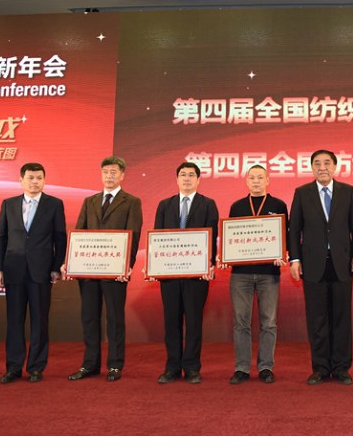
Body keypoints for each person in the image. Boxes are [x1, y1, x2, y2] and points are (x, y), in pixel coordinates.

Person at [288, 149, 353, 385]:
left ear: (334, 166)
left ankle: (341, 367)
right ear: (312, 168)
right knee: (317, 318)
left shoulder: (348, 191)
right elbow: (294, 230)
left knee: (342, 317)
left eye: (327, 163)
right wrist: (295, 259)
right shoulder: (302, 193)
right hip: (313, 264)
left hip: (342, 262)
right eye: (317, 164)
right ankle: (320, 367)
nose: (322, 167)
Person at [65, 156, 142, 382]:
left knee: (115, 319)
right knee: (89, 317)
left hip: (115, 271)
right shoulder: (90, 201)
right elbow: (79, 232)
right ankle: (90, 364)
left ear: (122, 175)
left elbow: (134, 235)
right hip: (88, 271)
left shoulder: (131, 202)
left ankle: (115, 365)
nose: (109, 176)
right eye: (105, 172)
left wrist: (127, 266)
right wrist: (72, 261)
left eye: (113, 172)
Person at [0, 162, 66, 383]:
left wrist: (56, 267)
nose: (35, 182)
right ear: (21, 180)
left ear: (44, 180)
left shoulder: (54, 204)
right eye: (31, 178)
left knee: (39, 321)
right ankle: (13, 367)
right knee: (14, 321)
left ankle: (36, 366)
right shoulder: (8, 204)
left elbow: (60, 238)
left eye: (39, 178)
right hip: (13, 269)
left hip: (41, 271)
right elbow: (1, 237)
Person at [151, 162, 219, 384]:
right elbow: (157, 238)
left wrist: (210, 264)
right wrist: (153, 264)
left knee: (194, 321)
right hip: (169, 274)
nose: (187, 178)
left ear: (198, 180)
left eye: (191, 175)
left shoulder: (208, 204)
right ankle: (172, 367)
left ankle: (191, 367)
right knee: (171, 321)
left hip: (197, 274)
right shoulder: (165, 205)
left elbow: (212, 238)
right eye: (183, 175)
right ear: (177, 179)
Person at [225, 165, 288, 384]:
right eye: (252, 178)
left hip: (268, 273)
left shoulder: (278, 205)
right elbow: (230, 238)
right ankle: (242, 368)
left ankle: (266, 367)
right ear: (246, 181)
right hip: (240, 274)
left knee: (269, 322)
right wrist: (226, 255)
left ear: (268, 180)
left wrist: (283, 253)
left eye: (260, 177)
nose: (256, 181)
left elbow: (285, 235)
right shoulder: (237, 206)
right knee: (241, 322)